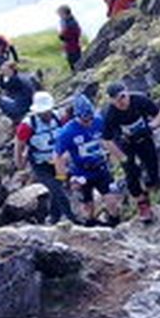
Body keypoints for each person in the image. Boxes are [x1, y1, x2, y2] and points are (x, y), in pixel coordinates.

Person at [101, 81, 160, 223]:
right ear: (111, 101)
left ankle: (152, 191)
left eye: (123, 97)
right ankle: (142, 205)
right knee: (131, 174)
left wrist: (151, 127)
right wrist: (121, 157)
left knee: (152, 168)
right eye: (116, 100)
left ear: (127, 93)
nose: (121, 102)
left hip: (143, 137)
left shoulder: (139, 100)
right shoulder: (109, 114)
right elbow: (106, 140)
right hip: (124, 144)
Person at [55, 94, 118, 225]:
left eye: (90, 118)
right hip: (80, 172)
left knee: (112, 201)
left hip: (101, 168)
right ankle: (90, 225)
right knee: (88, 207)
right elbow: (58, 155)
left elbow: (109, 139)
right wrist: (63, 177)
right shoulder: (67, 132)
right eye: (85, 120)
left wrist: (114, 157)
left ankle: (114, 222)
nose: (89, 122)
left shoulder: (99, 121)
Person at [14, 91, 75, 224]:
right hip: (40, 164)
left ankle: (54, 217)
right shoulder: (27, 126)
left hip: (58, 162)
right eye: (42, 112)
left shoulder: (60, 118)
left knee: (57, 188)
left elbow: (69, 135)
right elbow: (19, 145)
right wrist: (19, 164)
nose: (45, 115)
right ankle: (71, 218)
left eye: (47, 111)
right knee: (57, 189)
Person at [56, 5, 84, 70]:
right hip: (70, 46)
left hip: (73, 47)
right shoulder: (66, 21)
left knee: (75, 63)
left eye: (60, 14)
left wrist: (62, 36)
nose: (60, 16)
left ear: (65, 14)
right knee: (72, 62)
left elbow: (71, 34)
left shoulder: (71, 23)